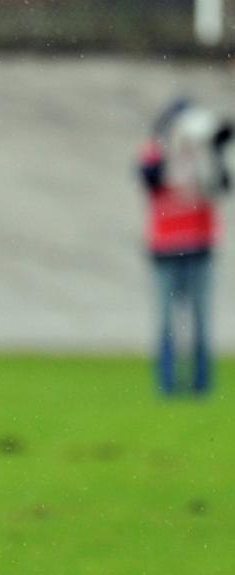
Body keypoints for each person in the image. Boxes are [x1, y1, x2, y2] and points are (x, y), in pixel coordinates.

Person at [138, 97, 231, 395]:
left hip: (200, 247)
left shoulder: (205, 156)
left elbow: (224, 185)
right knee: (166, 321)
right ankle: (167, 385)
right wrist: (170, 148)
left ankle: (201, 386)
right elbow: (148, 178)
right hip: (164, 249)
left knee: (201, 322)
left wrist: (210, 150)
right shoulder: (156, 152)